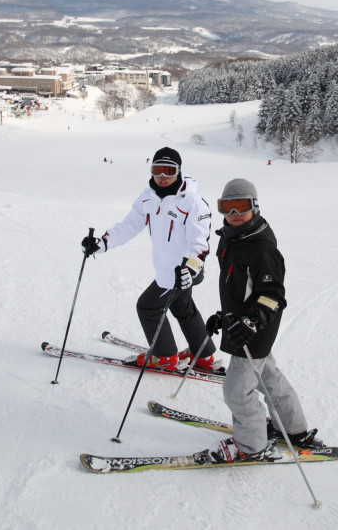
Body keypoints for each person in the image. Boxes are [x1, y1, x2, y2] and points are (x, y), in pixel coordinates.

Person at [196, 178, 322, 464]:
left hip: (253, 331)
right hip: (241, 323)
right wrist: (223, 315)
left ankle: (250, 446)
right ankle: (293, 428)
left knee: (237, 391)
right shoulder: (231, 237)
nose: (234, 213)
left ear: (254, 206)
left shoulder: (261, 247)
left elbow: (273, 295)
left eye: (241, 206)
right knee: (269, 376)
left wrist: (252, 320)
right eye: (227, 207)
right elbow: (239, 286)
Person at [81, 147, 218, 372]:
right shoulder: (148, 197)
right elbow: (129, 225)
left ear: (179, 172)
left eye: (169, 171)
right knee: (182, 307)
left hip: (183, 270)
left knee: (148, 307)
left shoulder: (192, 202)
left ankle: (164, 357)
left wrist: (189, 270)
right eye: (157, 170)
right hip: (166, 268)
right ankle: (203, 355)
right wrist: (103, 243)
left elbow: (200, 244)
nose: (163, 177)